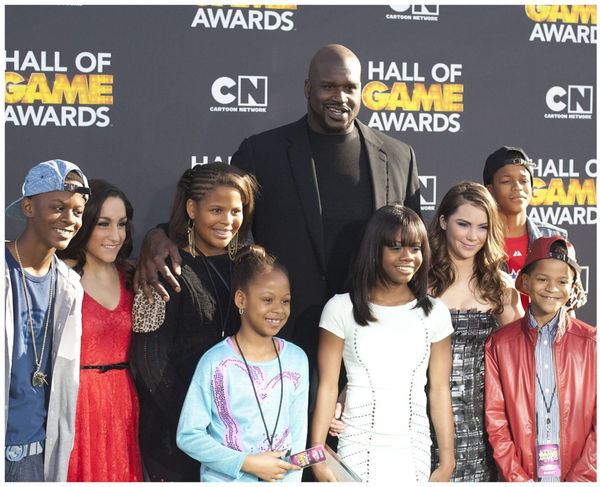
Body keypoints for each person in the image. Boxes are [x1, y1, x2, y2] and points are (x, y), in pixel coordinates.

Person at [134, 44, 421, 380]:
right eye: (328, 86)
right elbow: (220, 218)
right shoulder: (262, 152)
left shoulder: (399, 156)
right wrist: (159, 234)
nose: (339, 97)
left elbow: (412, 245)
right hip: (282, 336)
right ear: (307, 88)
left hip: (369, 339)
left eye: (349, 87)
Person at [129, 162, 258, 481]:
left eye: (235, 211)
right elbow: (149, 361)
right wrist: (196, 420)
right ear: (191, 208)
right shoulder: (163, 268)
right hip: (177, 438)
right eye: (216, 210)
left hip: (238, 433)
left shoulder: (248, 265)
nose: (228, 221)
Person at [310, 205, 455, 483]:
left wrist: (447, 459)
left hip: (414, 448)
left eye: (415, 248)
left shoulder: (435, 312)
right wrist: (318, 457)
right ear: (375, 249)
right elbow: (327, 386)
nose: (408, 257)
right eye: (396, 247)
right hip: (356, 445)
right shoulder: (340, 308)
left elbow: (439, 389)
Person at [177, 245, 309, 482]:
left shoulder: (297, 359)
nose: (278, 309)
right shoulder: (215, 362)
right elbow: (188, 435)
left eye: (285, 300)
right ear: (241, 299)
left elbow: (297, 439)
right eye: (267, 299)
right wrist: (247, 463)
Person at [427, 181, 524, 481]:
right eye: (463, 224)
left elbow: (523, 359)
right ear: (443, 221)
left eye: (482, 227)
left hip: (482, 424)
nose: (472, 236)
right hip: (420, 418)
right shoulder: (418, 283)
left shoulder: (500, 289)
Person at [4, 159, 89, 482]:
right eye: (58, 207)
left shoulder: (69, 285)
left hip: (37, 454)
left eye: (78, 211)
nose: (69, 219)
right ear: (28, 207)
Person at [485, 236, 595, 482]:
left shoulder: (592, 344)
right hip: (520, 477)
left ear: (574, 286)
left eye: (562, 281)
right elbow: (496, 421)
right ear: (524, 282)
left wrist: (581, 479)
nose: (552, 288)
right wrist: (518, 479)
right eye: (543, 279)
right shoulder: (499, 345)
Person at [57, 180, 143, 481]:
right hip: (72, 403)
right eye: (103, 224)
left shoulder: (132, 276)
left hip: (122, 402)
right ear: (83, 223)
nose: (115, 236)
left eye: (121, 224)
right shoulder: (58, 276)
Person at [482, 146, 576, 308]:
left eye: (524, 180)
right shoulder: (478, 238)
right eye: (506, 181)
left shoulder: (553, 236)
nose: (517, 186)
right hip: (494, 332)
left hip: (544, 332)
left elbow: (566, 306)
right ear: (490, 190)